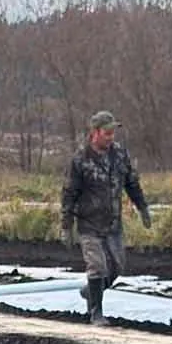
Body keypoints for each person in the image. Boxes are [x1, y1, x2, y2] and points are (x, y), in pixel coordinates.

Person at [60, 110, 150, 326]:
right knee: (97, 266)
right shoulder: (80, 159)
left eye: (113, 133)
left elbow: (131, 182)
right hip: (89, 223)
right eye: (107, 133)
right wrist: (66, 225)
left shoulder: (119, 154)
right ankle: (96, 313)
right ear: (95, 133)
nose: (111, 137)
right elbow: (69, 193)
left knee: (117, 267)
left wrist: (142, 207)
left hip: (113, 223)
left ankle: (90, 292)